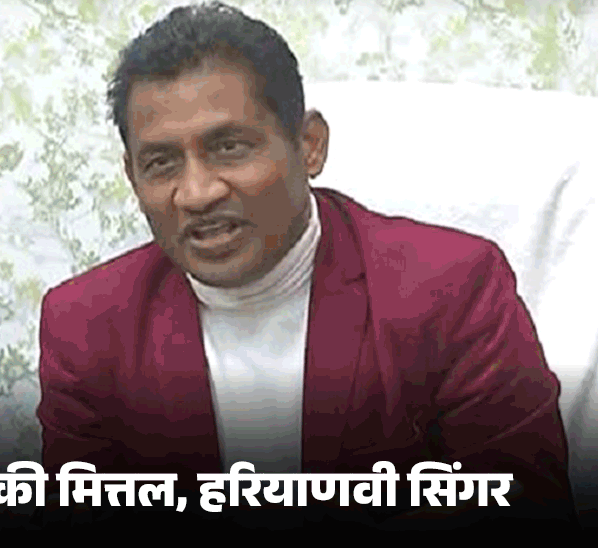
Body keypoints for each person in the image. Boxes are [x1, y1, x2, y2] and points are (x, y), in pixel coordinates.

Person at [33, 1, 579, 533]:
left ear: (309, 145)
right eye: (161, 163)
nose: (196, 193)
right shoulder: (86, 325)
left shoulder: (452, 288)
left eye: (229, 147)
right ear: (132, 177)